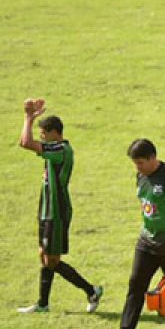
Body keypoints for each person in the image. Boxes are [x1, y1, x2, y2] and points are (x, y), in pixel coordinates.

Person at [103, 139, 165, 329]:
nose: (138, 168)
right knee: (135, 286)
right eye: (135, 164)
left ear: (153, 157)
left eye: (141, 163)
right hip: (147, 241)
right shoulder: (141, 176)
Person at [17, 99, 103, 314]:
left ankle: (91, 290)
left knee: (52, 259)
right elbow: (25, 141)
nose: (42, 138)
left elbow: (26, 143)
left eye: (44, 133)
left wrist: (28, 118)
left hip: (57, 210)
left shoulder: (61, 150)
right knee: (44, 256)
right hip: (46, 209)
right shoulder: (55, 147)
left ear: (55, 133)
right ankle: (43, 304)